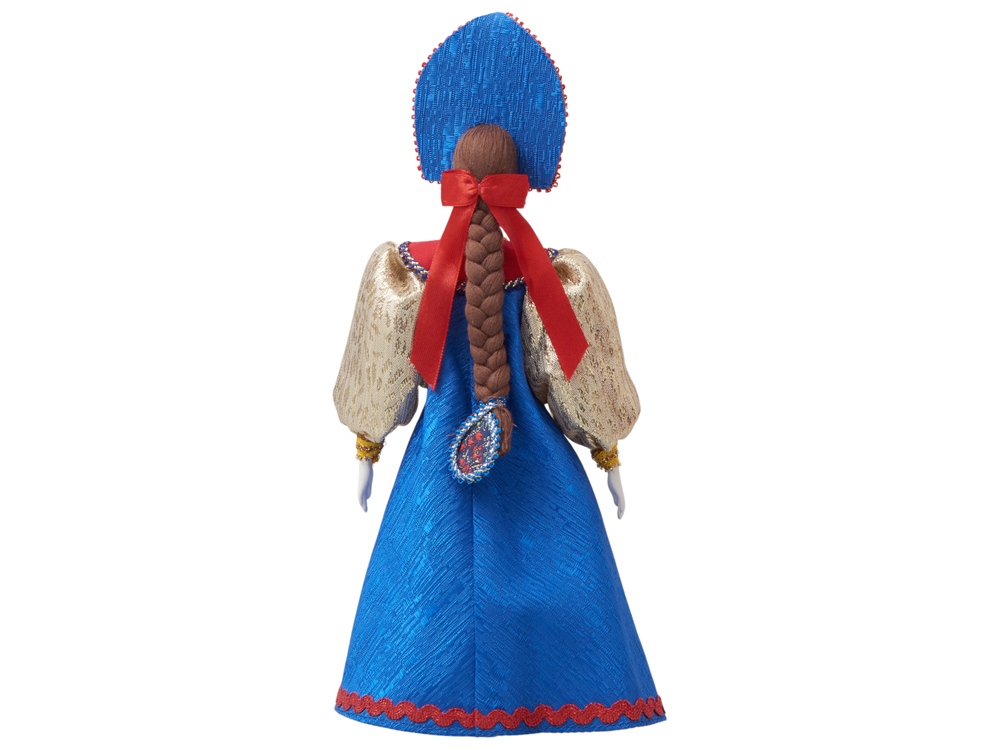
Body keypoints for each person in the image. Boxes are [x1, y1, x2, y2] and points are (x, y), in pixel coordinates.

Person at [332, 14, 663, 736]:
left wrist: (367, 446)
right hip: (536, 466)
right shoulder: (551, 277)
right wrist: (608, 453)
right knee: (560, 581)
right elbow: (580, 378)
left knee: (425, 588)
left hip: (437, 464)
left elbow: (378, 373)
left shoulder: (405, 273)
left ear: (446, 166)